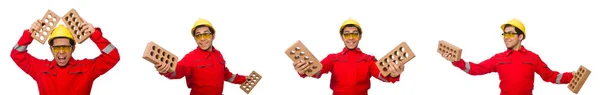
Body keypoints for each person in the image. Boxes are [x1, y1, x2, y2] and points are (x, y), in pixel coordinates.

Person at [440, 18, 573, 95]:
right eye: (505, 34)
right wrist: (457, 61)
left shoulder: (533, 58)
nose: (506, 37)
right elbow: (476, 69)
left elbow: (550, 76)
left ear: (520, 37)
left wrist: (572, 76)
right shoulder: (499, 58)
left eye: (510, 34)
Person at [293, 18, 403, 95]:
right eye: (347, 34)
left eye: (355, 33)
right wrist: (303, 70)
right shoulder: (333, 58)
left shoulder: (369, 60)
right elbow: (317, 72)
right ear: (342, 37)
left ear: (360, 36)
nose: (351, 38)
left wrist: (393, 74)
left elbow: (383, 76)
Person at [11, 19, 120, 95]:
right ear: (51, 49)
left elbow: (113, 56)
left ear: (73, 48)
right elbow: (16, 54)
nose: (62, 52)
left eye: (66, 47)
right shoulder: (40, 69)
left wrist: (94, 34)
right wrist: (30, 34)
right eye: (57, 47)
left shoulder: (87, 68)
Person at [155, 18, 250, 95]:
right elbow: (177, 71)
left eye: (206, 34)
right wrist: (166, 70)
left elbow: (225, 74)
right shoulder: (191, 57)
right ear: (195, 39)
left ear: (213, 36)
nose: (203, 38)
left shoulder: (218, 55)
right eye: (198, 36)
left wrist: (244, 79)